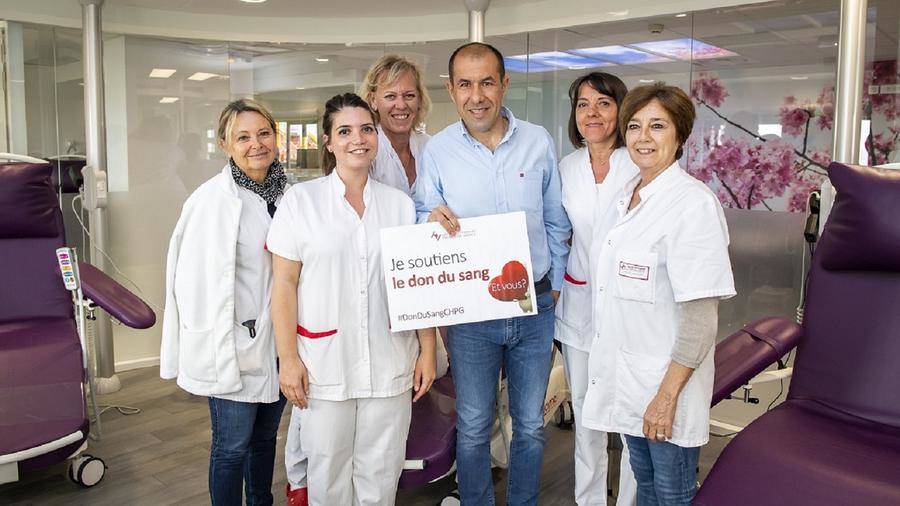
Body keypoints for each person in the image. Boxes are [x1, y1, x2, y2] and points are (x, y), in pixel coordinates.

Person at [415, 42, 571, 505]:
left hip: (535, 305)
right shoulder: (439, 151)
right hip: (472, 314)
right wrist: (429, 221)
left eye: (487, 82)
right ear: (451, 89)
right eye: (465, 84)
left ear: (504, 84)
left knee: (528, 425)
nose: (476, 95)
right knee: (475, 425)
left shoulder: (538, 141)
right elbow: (423, 212)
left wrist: (558, 284)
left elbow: (555, 220)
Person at [268, 93, 437, 505]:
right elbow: (284, 285)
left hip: (390, 361)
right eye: (344, 131)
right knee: (328, 474)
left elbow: (416, 285)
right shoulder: (300, 202)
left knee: (380, 474)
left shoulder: (399, 205)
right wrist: (287, 359)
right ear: (327, 141)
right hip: (324, 365)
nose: (357, 139)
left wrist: (427, 351)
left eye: (366, 129)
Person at [581, 83, 736, 506]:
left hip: (664, 389)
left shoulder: (693, 205)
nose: (643, 137)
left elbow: (700, 320)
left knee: (671, 494)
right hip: (630, 382)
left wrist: (666, 398)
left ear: (679, 136)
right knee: (646, 486)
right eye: (634, 126)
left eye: (657, 126)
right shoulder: (626, 196)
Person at [160, 98, 288, 506]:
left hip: (280, 345)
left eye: (264, 133)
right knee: (232, 447)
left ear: (276, 137)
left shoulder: (291, 194)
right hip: (234, 346)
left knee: (265, 440)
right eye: (243, 137)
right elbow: (194, 284)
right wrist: (215, 343)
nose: (256, 144)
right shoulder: (210, 201)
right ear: (225, 145)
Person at [556, 72, 638, 506]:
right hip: (579, 304)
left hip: (628, 309)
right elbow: (556, 232)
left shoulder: (637, 164)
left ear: (621, 111)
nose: (592, 113)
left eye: (604, 103)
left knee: (628, 416)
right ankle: (587, 500)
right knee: (587, 415)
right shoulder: (566, 168)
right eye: (583, 104)